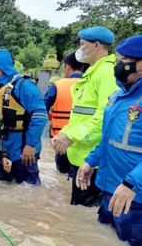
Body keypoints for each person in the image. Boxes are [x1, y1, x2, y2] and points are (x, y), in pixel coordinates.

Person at [76, 35, 142, 245]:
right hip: (109, 189)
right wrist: (90, 160)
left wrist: (132, 183)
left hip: (134, 197)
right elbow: (108, 138)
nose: (118, 66)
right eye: (117, 61)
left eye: (123, 62)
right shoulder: (117, 97)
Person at [52, 26, 119, 207]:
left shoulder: (107, 74)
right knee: (78, 212)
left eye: (82, 44)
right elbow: (79, 115)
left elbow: (105, 117)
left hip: (94, 162)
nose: (79, 49)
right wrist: (64, 134)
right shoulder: (92, 73)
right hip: (81, 156)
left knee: (86, 211)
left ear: (96, 45)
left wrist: (71, 136)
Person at [0, 49, 48, 185]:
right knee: (2, 189)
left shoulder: (24, 85)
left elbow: (40, 115)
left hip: (23, 150)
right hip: (2, 151)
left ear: (2, 66)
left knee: (29, 190)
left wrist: (30, 145)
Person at [44, 52, 86, 173]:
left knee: (62, 173)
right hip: (85, 139)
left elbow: (42, 109)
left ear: (67, 67)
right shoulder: (92, 84)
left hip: (61, 139)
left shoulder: (58, 85)